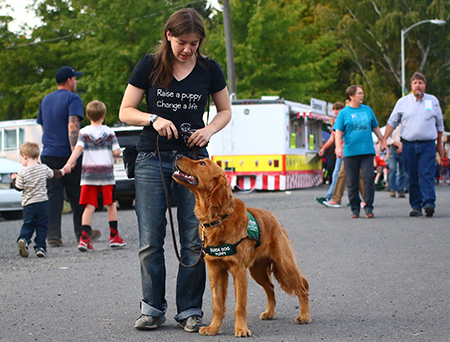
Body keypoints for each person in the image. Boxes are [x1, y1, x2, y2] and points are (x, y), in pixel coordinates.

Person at [118, 8, 232, 332]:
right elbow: (126, 110)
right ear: (168, 35)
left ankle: (190, 310)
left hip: (194, 159)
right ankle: (152, 308)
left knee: (194, 238)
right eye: (182, 42)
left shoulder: (209, 69)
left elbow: (225, 111)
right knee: (150, 239)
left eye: (194, 43)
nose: (188, 49)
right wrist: (152, 118)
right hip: (152, 159)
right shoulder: (150, 65)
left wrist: (209, 130)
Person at [37, 66, 100, 247]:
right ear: (68, 81)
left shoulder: (45, 100)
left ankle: (53, 236)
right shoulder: (73, 98)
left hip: (48, 154)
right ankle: (82, 233)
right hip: (67, 153)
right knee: (76, 194)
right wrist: (73, 155)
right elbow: (73, 126)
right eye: (75, 79)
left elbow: (44, 127)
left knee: (53, 195)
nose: (76, 82)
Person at [63, 100, 126, 252]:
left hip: (89, 175)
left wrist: (68, 164)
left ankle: (84, 239)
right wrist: (107, 153)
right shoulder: (109, 132)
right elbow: (117, 152)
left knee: (89, 206)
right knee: (110, 204)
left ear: (87, 115)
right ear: (103, 116)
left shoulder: (83, 132)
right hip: (106, 175)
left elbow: (77, 150)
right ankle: (114, 237)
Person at [382, 72, 444, 217]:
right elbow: (392, 122)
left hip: (427, 144)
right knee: (412, 175)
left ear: (425, 85)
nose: (418, 85)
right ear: (411, 86)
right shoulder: (403, 102)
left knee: (426, 173)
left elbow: (439, 125)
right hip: (408, 145)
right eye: (415, 83)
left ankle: (429, 203)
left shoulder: (432, 101)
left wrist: (439, 144)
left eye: (420, 82)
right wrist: (384, 139)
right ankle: (416, 205)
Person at [334, 85, 383, 218]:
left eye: (362, 93)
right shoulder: (344, 113)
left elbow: (375, 127)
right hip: (350, 152)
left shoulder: (367, 110)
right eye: (359, 93)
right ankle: (355, 208)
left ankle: (368, 207)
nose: (362, 95)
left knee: (368, 178)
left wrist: (382, 140)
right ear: (351, 96)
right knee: (352, 181)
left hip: (367, 151)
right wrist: (338, 147)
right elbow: (338, 131)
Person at [11, 142, 65, 258]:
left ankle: (24, 239)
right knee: (42, 226)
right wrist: (63, 171)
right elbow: (53, 174)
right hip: (43, 204)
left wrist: (15, 179)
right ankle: (40, 247)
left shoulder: (22, 172)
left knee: (28, 224)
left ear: (25, 156)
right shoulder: (43, 168)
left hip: (28, 205)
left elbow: (19, 187)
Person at [315, 102, 344, 205]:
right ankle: (330, 196)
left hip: (346, 151)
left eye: (338, 109)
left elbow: (340, 136)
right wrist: (324, 148)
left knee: (341, 174)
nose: (336, 111)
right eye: (335, 109)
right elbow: (332, 137)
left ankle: (329, 196)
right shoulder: (336, 122)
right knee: (340, 174)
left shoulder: (343, 120)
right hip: (340, 152)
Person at [386, 124, 406, 198]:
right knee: (393, 169)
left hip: (404, 149)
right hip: (393, 148)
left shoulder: (406, 124)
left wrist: (402, 145)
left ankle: (401, 190)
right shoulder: (392, 124)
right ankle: (392, 189)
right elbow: (387, 138)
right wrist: (396, 143)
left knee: (403, 171)